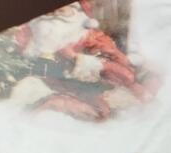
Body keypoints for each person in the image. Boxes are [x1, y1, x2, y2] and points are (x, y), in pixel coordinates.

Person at [9, 2, 151, 120]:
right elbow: (40, 60)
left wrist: (83, 56)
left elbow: (116, 63)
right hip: (63, 79)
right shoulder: (39, 31)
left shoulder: (82, 24)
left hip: (96, 72)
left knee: (125, 82)